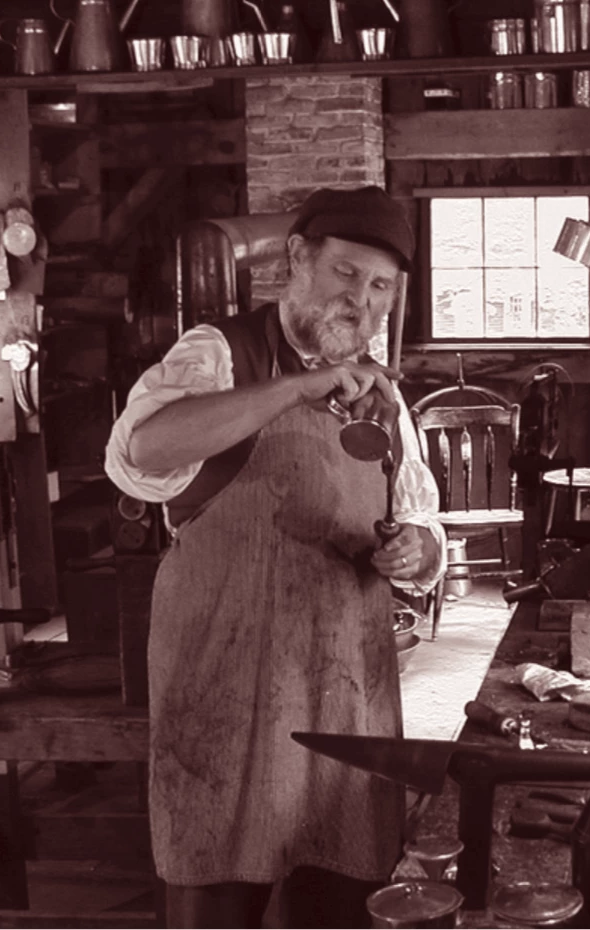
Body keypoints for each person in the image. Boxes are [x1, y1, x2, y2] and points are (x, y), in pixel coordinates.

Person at [105, 186, 446, 929]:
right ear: (298, 259)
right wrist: (296, 386)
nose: (363, 298)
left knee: (340, 899)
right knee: (217, 899)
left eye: (381, 286)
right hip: (225, 700)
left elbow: (422, 522)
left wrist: (415, 550)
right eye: (347, 274)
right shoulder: (219, 353)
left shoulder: (384, 399)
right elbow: (140, 453)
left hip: (342, 702)